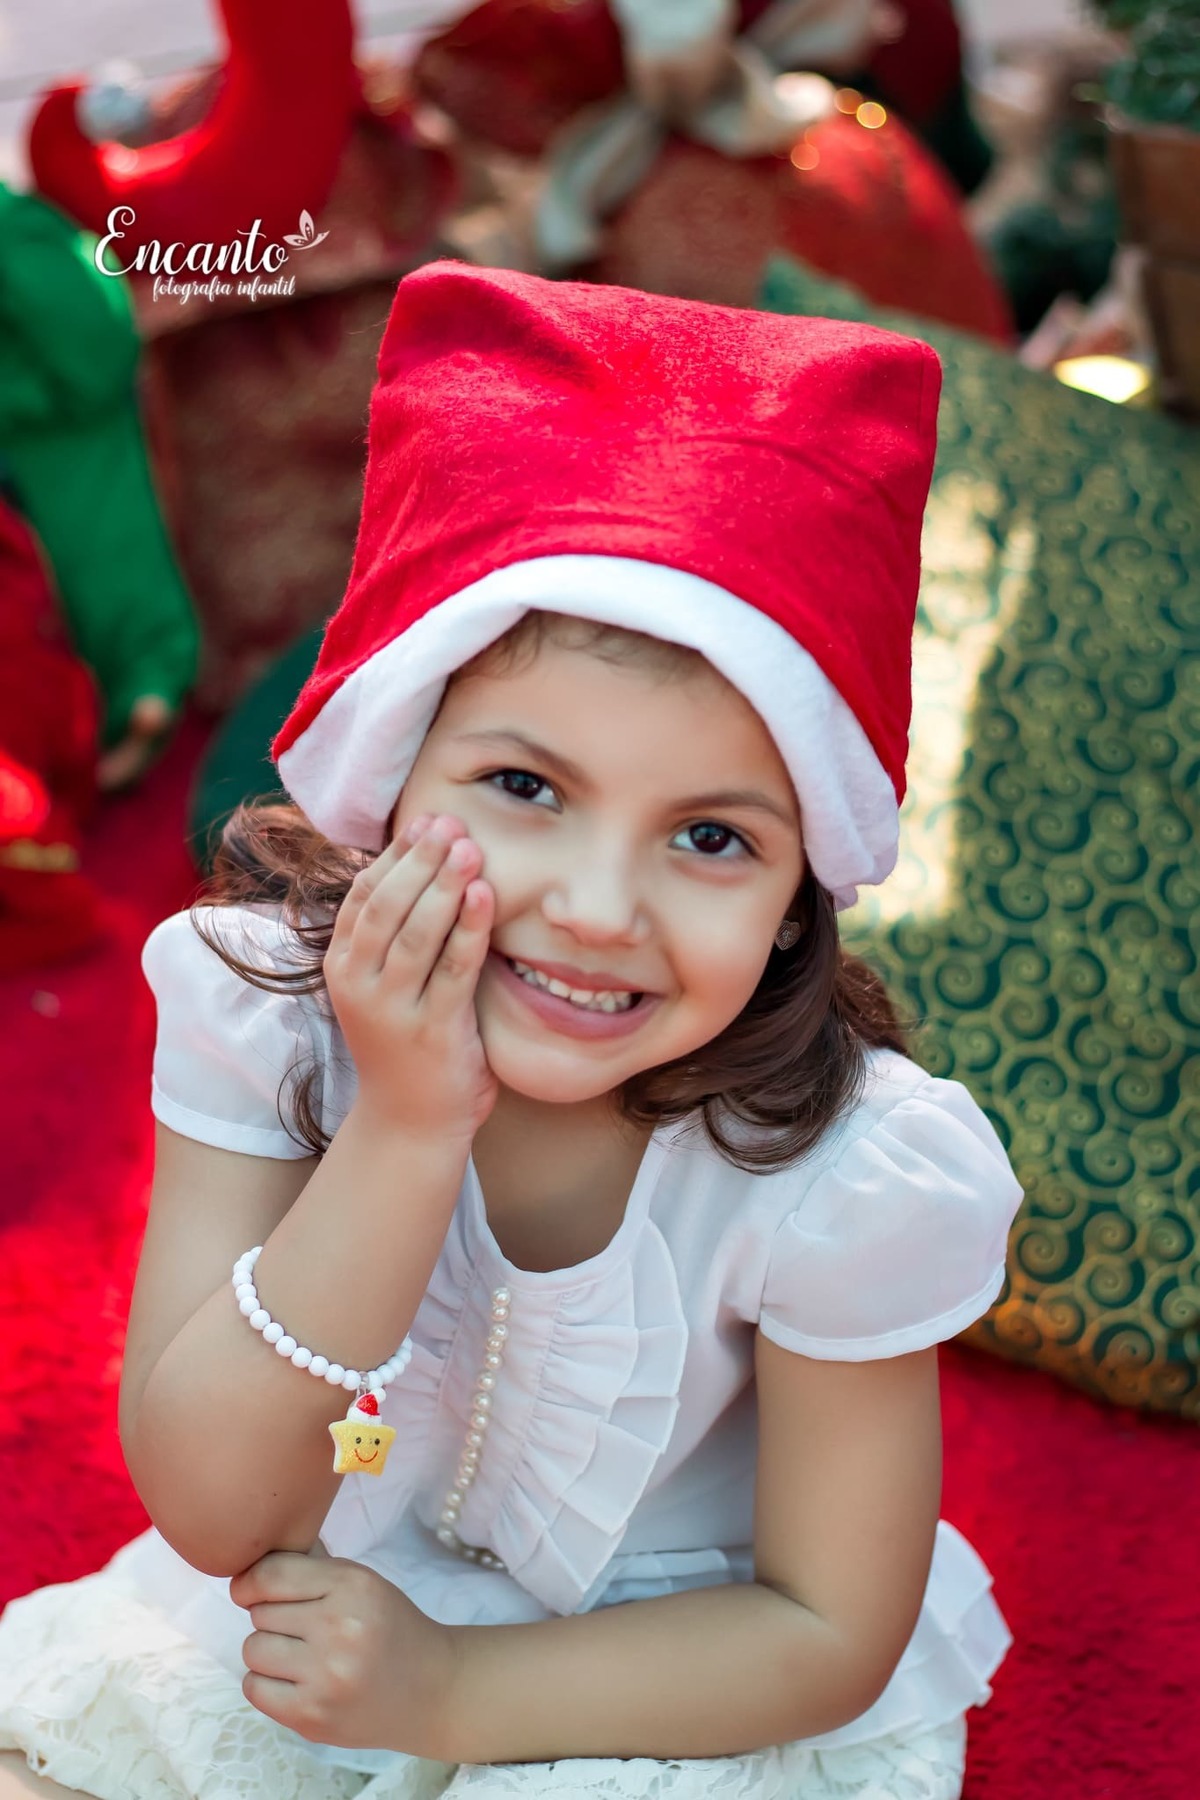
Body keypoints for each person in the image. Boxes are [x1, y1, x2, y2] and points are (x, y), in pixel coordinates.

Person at [0, 261, 1023, 1800]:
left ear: (799, 894)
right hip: (325, 1614)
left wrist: (454, 1691)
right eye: (526, 788)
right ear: (392, 776)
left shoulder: (842, 1170)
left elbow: (828, 1626)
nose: (598, 909)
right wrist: (405, 1133)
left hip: (680, 1680)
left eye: (712, 837)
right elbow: (212, 1513)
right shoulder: (265, 1014)